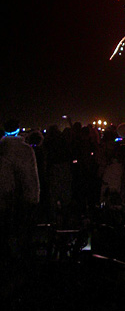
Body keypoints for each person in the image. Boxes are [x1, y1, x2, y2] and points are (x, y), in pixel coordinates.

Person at [0, 119, 40, 298]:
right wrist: (33, 198)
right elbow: (31, 176)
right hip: (18, 199)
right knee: (18, 234)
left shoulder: (4, 148)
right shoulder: (25, 150)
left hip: (6, 198)